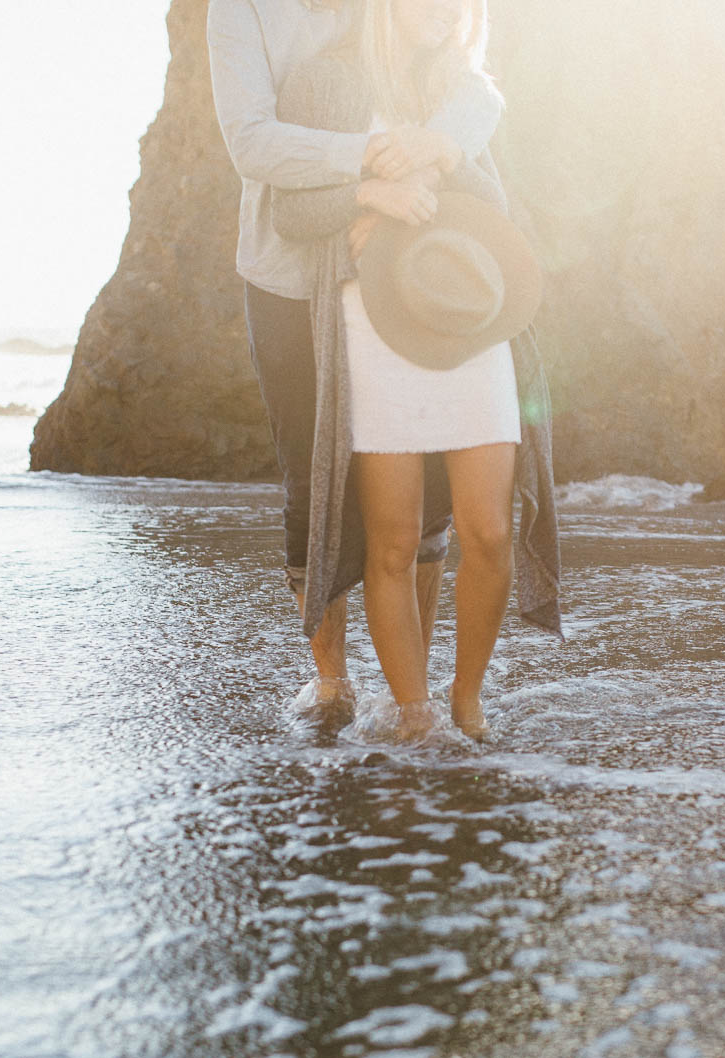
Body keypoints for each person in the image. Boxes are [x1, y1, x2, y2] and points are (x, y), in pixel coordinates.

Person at [206, 0, 505, 725]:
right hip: (288, 277)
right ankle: (332, 681)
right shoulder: (244, 10)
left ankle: (419, 691)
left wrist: (439, 144)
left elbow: (469, 79)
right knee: (314, 480)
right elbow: (252, 143)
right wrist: (370, 169)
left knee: (419, 487)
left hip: (393, 283)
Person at [271, 0, 560, 743]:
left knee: (490, 529)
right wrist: (368, 196)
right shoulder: (325, 84)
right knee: (392, 541)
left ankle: (467, 696)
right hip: (370, 324)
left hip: (465, 315)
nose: (445, 9)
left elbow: (495, 204)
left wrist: (433, 165)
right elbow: (291, 214)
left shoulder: (462, 93)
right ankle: (416, 712)